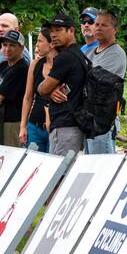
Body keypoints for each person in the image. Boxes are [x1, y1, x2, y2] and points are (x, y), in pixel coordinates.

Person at [38, 14, 89, 156]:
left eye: (58, 30)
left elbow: (42, 89)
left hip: (65, 125)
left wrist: (48, 90)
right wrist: (51, 91)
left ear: (71, 31)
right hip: (73, 124)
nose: (53, 34)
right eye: (52, 31)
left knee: (60, 175)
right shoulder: (79, 54)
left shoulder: (65, 57)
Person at [83, 10, 126, 154]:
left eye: (104, 25)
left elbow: (95, 81)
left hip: (102, 122)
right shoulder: (89, 51)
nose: (98, 28)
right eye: (97, 24)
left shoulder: (116, 53)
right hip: (87, 119)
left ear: (115, 30)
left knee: (101, 169)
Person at [0, 30, 29, 146]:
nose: (7, 49)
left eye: (12, 45)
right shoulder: (2, 65)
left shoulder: (21, 68)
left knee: (9, 158)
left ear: (21, 48)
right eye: (4, 45)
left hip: (13, 122)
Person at [20, 27, 53, 152]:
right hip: (34, 124)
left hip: (54, 126)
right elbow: (28, 97)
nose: (36, 44)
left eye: (40, 41)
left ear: (51, 43)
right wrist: (23, 126)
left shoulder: (62, 64)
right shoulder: (35, 64)